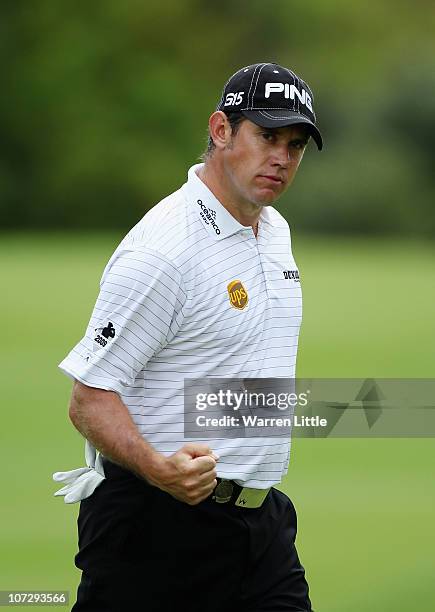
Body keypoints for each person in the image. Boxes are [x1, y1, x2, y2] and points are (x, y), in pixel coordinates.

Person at [53, 61, 323, 611]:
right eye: (267, 135)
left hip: (260, 527)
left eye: (295, 145)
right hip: (156, 529)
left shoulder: (274, 231)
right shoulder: (163, 249)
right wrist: (159, 469)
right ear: (221, 131)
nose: (282, 157)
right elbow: (89, 399)